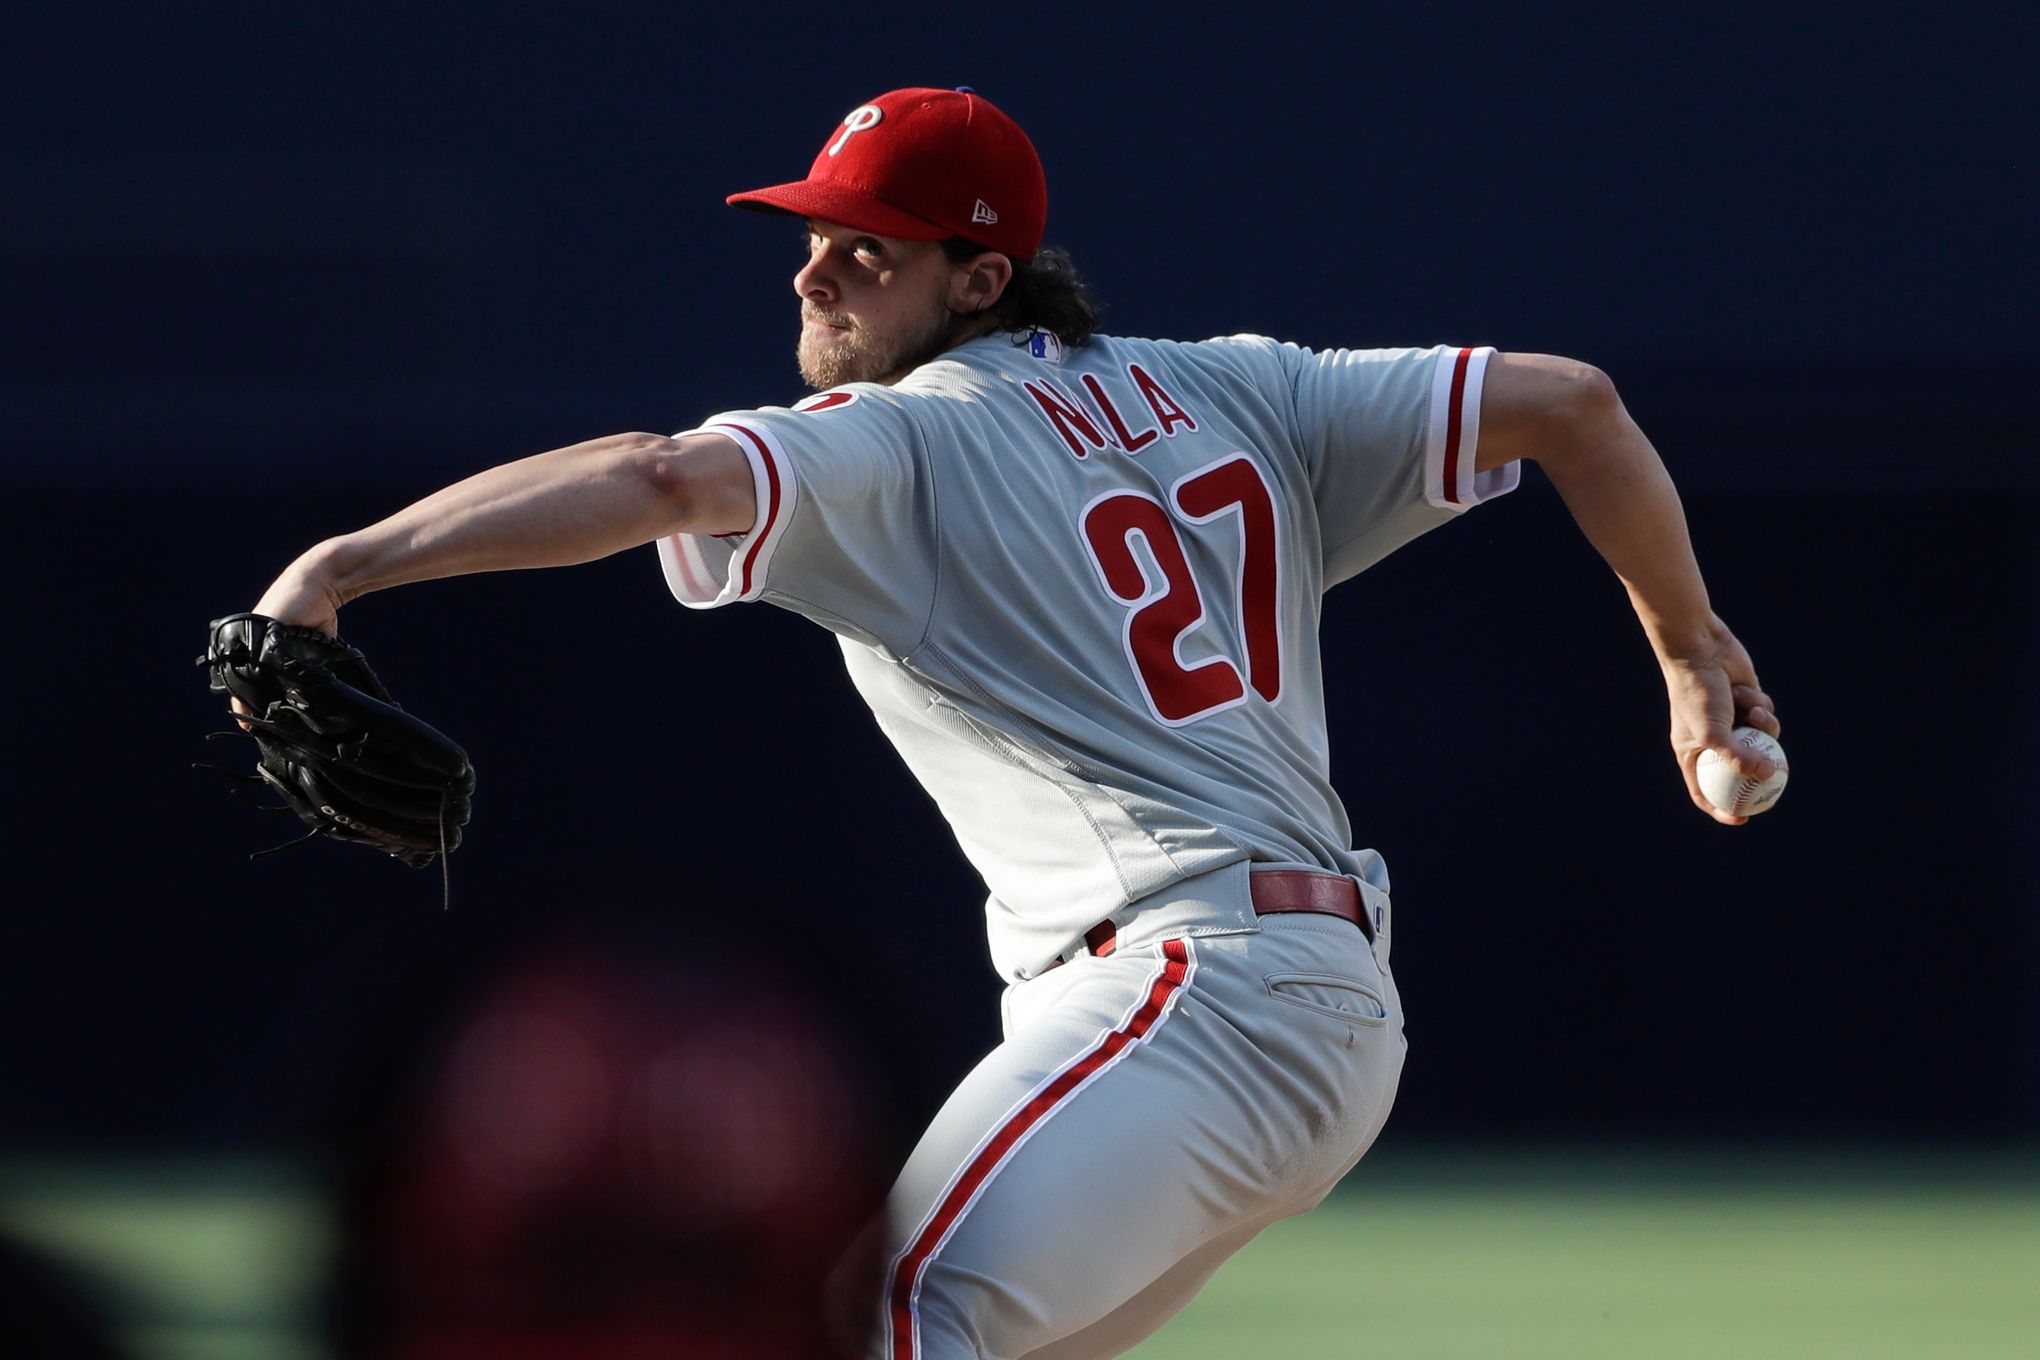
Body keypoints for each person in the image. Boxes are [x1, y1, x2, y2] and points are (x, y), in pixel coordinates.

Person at [240, 87, 1782, 1358]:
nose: (813, 274)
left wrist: (341, 567)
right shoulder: (1239, 391)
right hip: (1296, 1003)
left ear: (981, 280)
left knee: (871, 1316)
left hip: (1194, 988)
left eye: (867, 250)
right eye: (812, 239)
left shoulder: (903, 440)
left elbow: (655, 474)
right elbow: (1573, 403)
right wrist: (1687, 649)